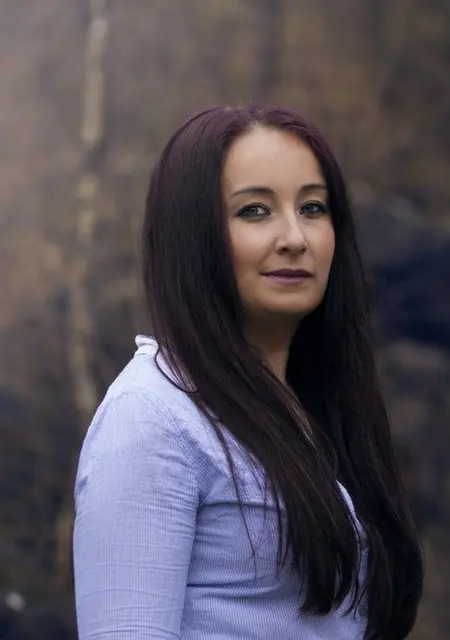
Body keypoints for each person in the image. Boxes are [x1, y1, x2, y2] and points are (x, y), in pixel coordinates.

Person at [73, 105, 424, 640]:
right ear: (194, 237)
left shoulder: (318, 408)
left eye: (312, 207)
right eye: (255, 211)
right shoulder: (153, 419)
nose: (294, 237)